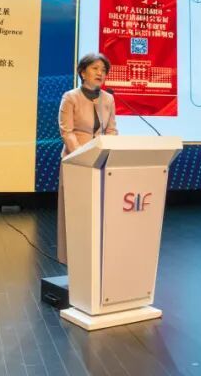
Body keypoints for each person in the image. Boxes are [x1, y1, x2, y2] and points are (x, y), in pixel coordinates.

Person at [56, 52, 118, 264]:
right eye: (95, 68)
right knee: (76, 212)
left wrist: (107, 151)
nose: (100, 73)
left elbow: (111, 130)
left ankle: (97, 257)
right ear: (83, 72)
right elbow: (67, 132)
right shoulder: (70, 97)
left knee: (98, 212)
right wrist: (83, 157)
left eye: (103, 70)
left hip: (101, 162)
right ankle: (72, 259)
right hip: (76, 161)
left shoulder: (108, 99)